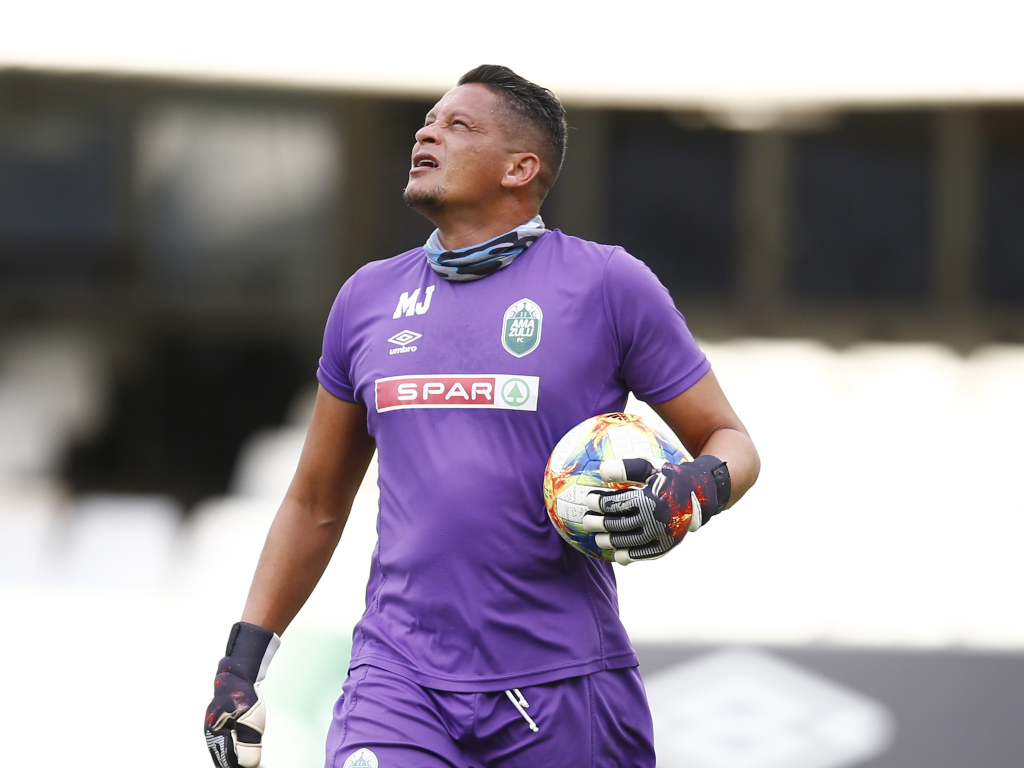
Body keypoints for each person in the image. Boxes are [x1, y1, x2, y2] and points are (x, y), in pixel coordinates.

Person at [204, 64, 760, 768]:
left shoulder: (608, 284)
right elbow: (314, 502)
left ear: (519, 168)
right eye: (427, 122)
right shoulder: (366, 298)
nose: (426, 134)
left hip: (563, 683)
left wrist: (691, 490)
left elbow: (732, 442)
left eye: (458, 125)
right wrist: (240, 666)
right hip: (397, 679)